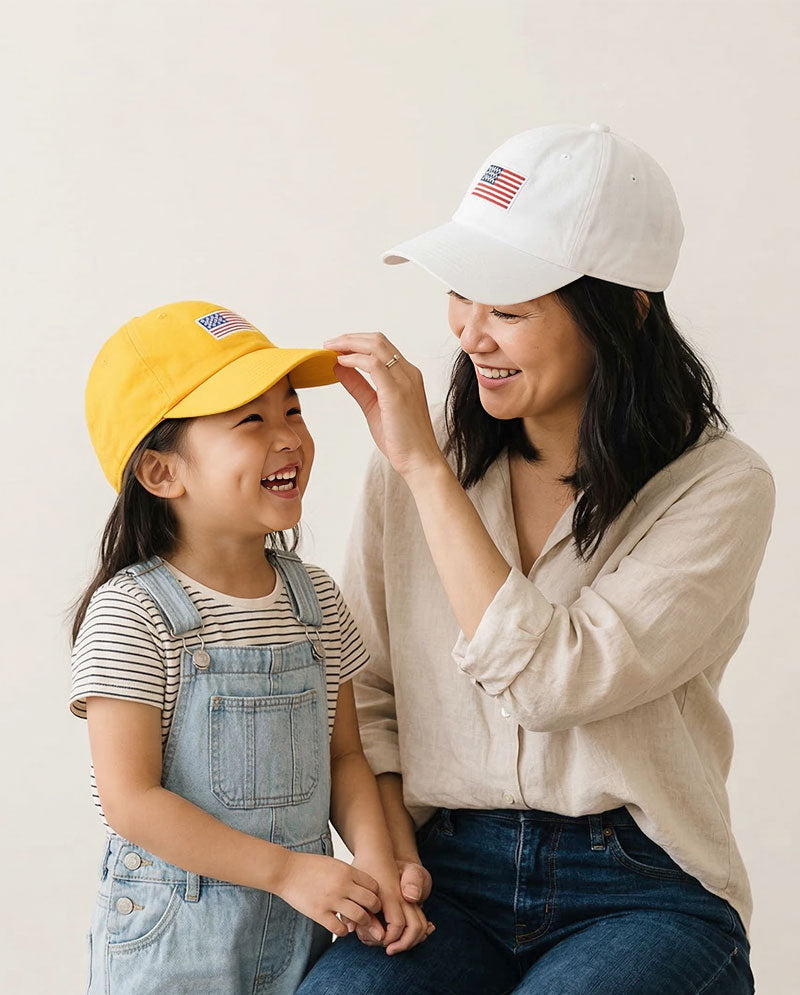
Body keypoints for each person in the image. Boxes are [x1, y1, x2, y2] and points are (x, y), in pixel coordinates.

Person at [298, 124, 772, 993]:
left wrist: (425, 474)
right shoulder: (424, 454)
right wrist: (386, 848)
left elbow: (557, 681)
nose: (470, 334)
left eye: (510, 308)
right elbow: (362, 688)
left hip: (641, 885)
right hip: (448, 874)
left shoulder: (719, 486)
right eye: (461, 295)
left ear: (624, 306)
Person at [70, 301, 432, 994]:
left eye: (292, 411)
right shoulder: (132, 612)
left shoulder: (316, 598)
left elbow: (346, 754)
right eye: (251, 420)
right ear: (160, 472)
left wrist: (379, 860)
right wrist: (285, 870)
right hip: (173, 938)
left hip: (300, 924)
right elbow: (131, 800)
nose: (288, 436)